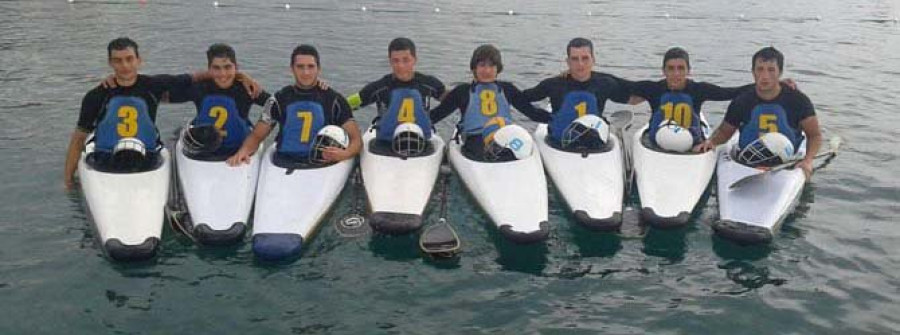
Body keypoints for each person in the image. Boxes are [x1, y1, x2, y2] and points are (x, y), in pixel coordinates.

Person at [64, 37, 196, 189]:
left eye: (129, 59)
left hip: (147, 155)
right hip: (106, 158)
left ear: (139, 60)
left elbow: (195, 78)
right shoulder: (96, 96)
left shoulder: (154, 85)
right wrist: (68, 180)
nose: (125, 65)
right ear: (110, 63)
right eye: (118, 61)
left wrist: (227, 79)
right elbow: (78, 139)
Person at [694, 47, 822, 178]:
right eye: (760, 69)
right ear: (753, 72)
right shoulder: (742, 101)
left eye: (771, 70)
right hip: (748, 161)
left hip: (787, 162)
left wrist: (808, 160)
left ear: (780, 73)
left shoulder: (798, 100)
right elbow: (724, 132)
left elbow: (814, 135)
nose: (765, 76)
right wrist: (710, 142)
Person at [227, 44, 360, 166]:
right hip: (283, 162)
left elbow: (356, 139)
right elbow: (257, 135)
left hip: (320, 165)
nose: (306, 72)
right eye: (300, 67)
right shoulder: (278, 99)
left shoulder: (334, 100)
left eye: (310, 66)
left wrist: (345, 154)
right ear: (292, 69)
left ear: (319, 69)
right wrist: (243, 151)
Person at [429, 44, 550, 160]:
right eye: (482, 65)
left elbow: (532, 113)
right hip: (475, 139)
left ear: (498, 69)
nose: (487, 71)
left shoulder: (507, 89)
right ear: (474, 68)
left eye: (492, 66)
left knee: (510, 153)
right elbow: (437, 115)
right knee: (489, 155)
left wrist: (558, 119)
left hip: (504, 136)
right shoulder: (462, 92)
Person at [522, 37, 632, 150]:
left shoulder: (605, 83)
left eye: (585, 58)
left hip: (595, 144)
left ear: (593, 60)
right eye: (575, 59)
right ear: (568, 62)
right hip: (558, 144)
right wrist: (545, 117)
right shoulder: (553, 84)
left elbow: (633, 95)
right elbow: (520, 99)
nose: (580, 64)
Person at [167, 43, 271, 158]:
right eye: (216, 68)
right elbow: (165, 96)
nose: (223, 74)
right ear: (209, 69)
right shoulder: (199, 88)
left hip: (238, 149)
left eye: (228, 67)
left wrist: (258, 133)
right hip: (203, 149)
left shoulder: (248, 89)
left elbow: (276, 106)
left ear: (236, 67)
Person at [348, 37, 445, 145]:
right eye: (395, 61)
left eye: (406, 60)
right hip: (386, 143)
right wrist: (326, 92)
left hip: (421, 141)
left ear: (415, 59)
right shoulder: (380, 87)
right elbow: (346, 104)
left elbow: (453, 100)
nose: (400, 66)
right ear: (390, 61)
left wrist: (430, 118)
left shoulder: (429, 84)